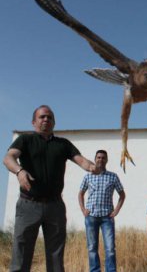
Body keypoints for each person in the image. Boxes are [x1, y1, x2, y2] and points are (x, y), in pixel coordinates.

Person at [3, 105, 97, 272]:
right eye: (42, 117)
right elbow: (8, 157)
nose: (46, 119)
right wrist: (19, 171)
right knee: (22, 252)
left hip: (55, 206)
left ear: (54, 122)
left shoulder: (63, 144)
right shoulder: (25, 140)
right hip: (28, 205)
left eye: (50, 117)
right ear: (34, 122)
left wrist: (93, 167)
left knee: (55, 254)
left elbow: (81, 161)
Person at [78, 150, 126, 272]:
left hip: (107, 218)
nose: (101, 159)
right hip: (91, 217)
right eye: (98, 157)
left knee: (110, 248)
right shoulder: (88, 176)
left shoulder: (113, 176)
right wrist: (83, 210)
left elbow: (122, 195)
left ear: (107, 160)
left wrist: (116, 211)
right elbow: (80, 194)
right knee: (92, 248)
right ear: (95, 159)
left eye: (103, 158)